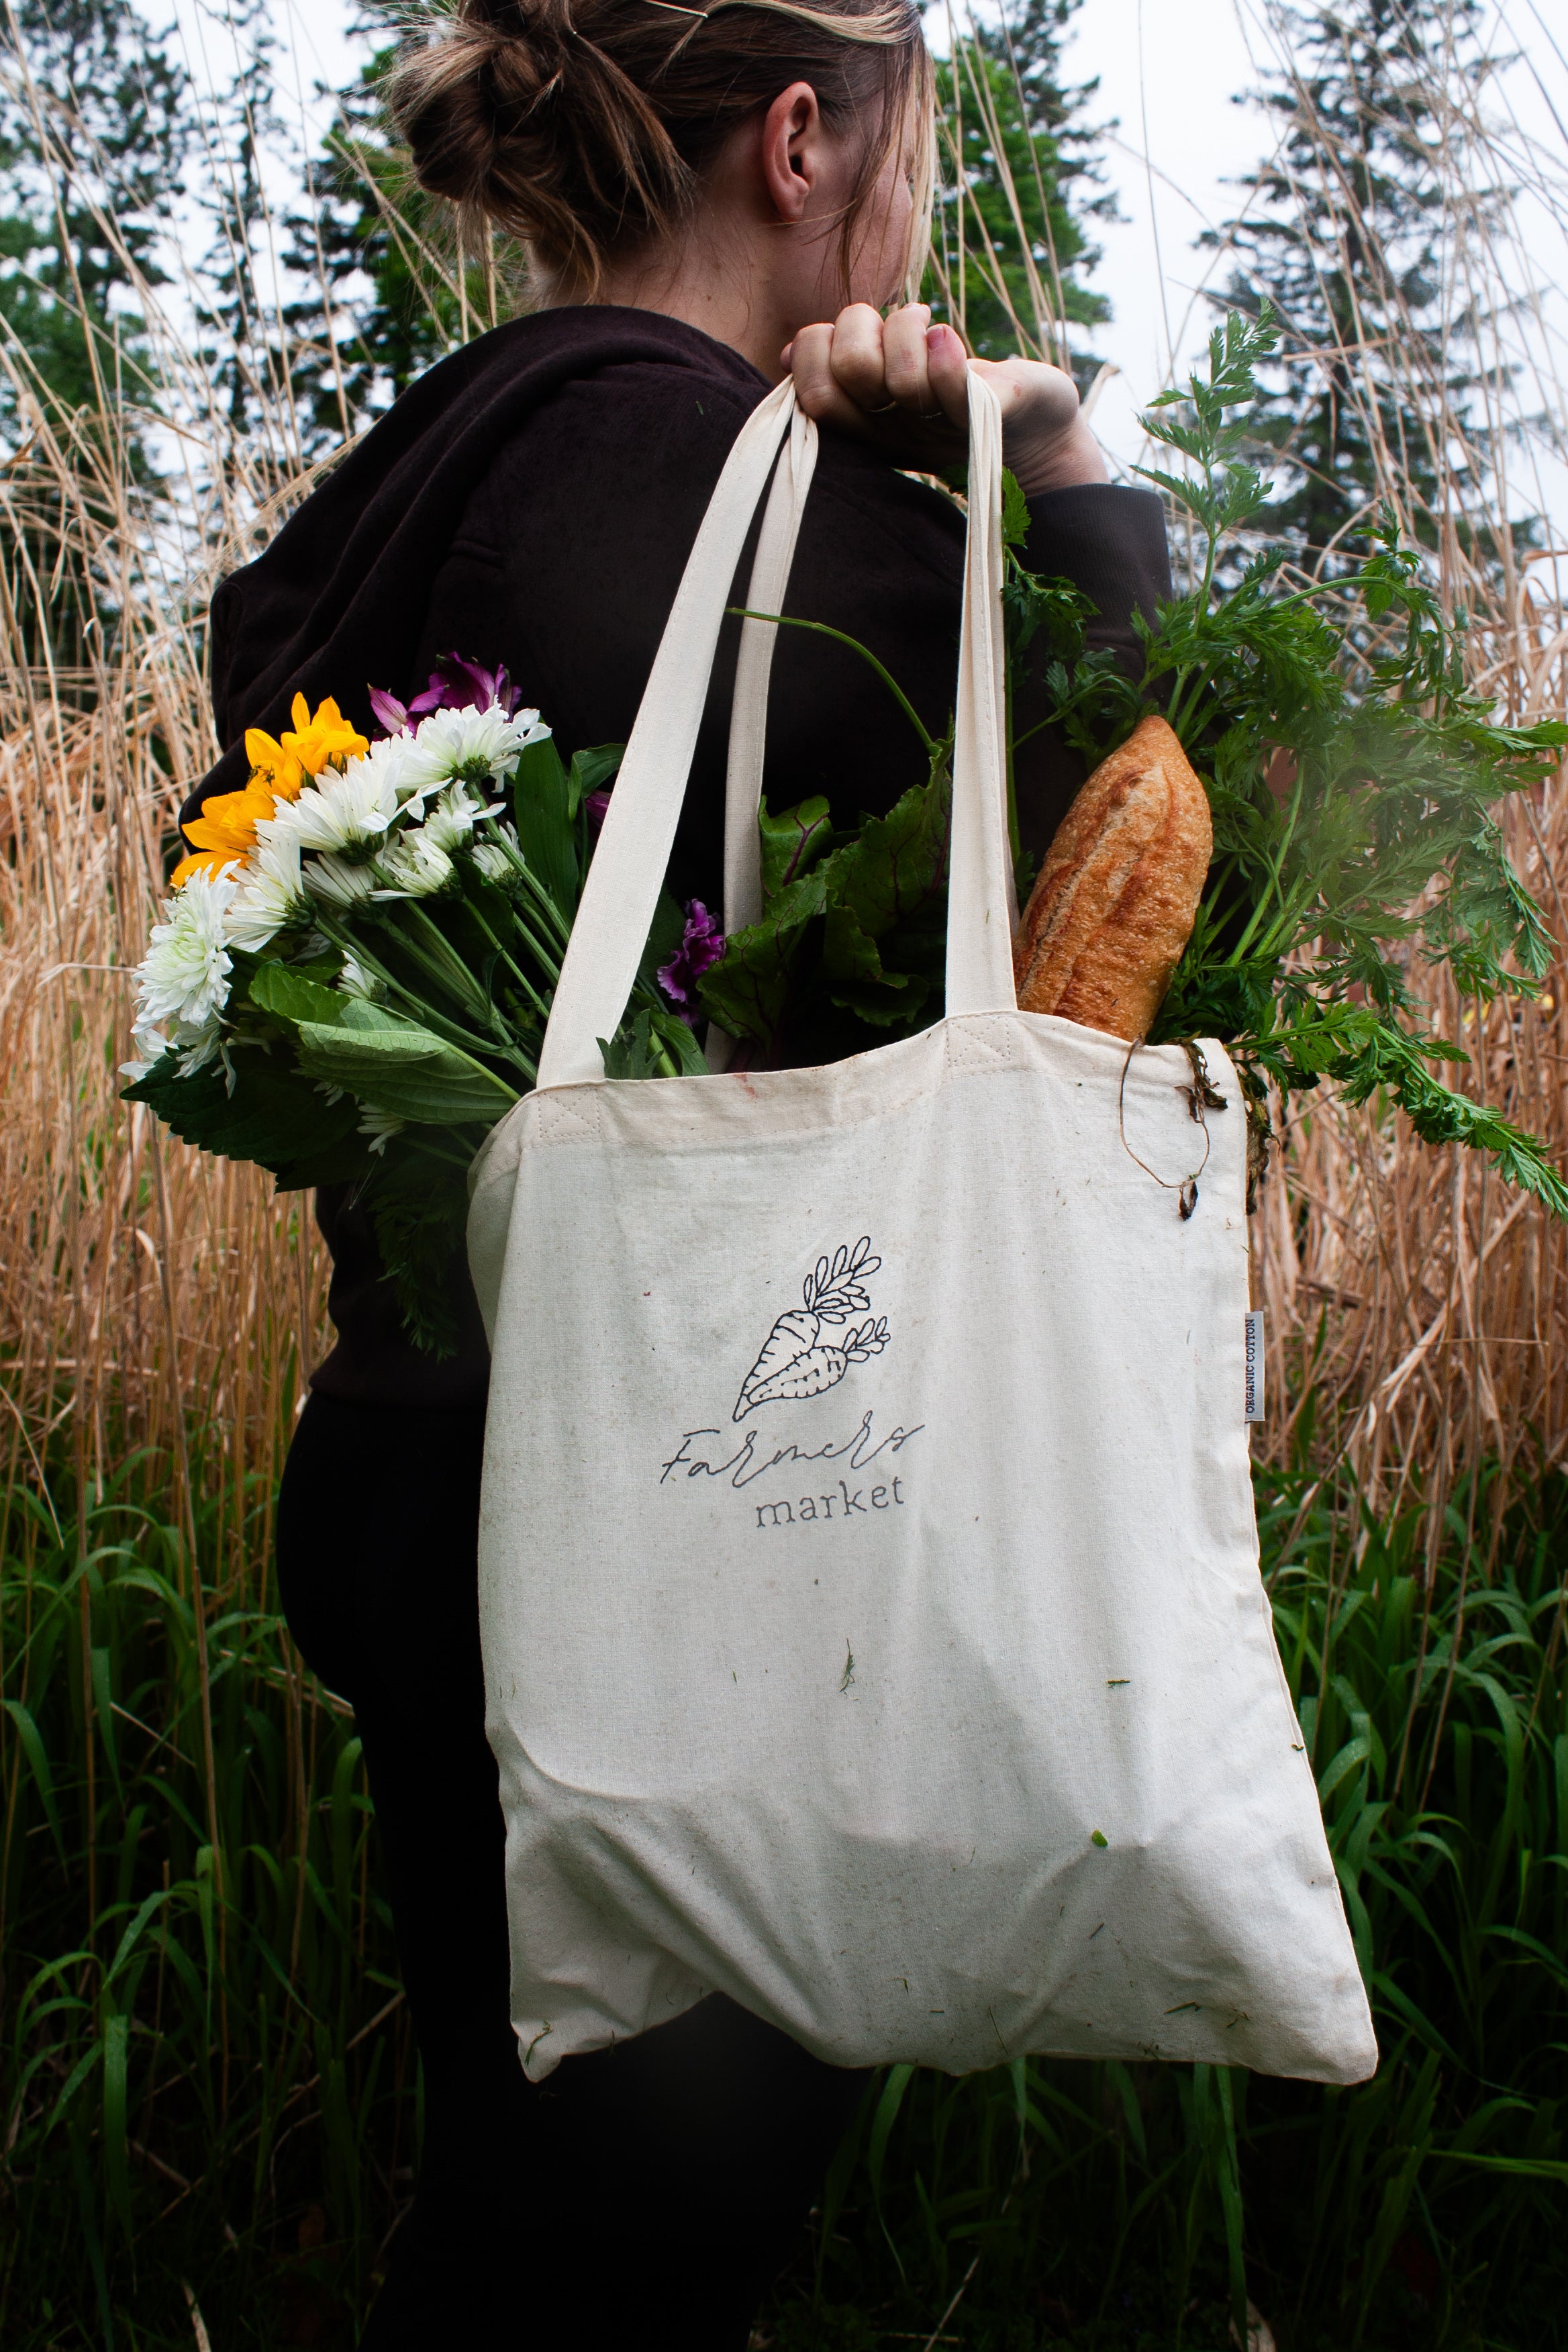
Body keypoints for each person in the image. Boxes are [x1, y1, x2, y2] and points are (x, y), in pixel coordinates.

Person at [185, 0, 1172, 2339]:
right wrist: (1049, 452)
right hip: (723, 1530)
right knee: (639, 2265)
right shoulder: (778, 527)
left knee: (525, 2209)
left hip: (427, 1481)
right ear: (808, 143)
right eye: (916, 149)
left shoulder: (397, 499)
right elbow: (1151, 839)